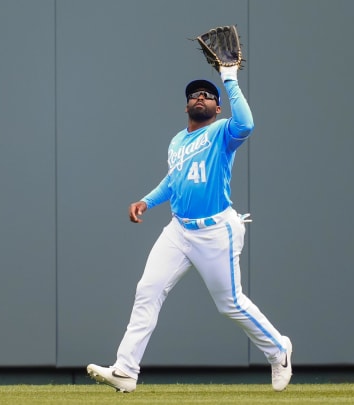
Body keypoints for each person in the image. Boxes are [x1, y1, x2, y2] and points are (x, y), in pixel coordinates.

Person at [87, 63, 292, 393]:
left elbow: (248, 124)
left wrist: (229, 78)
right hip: (178, 230)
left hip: (216, 230)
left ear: (217, 106)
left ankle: (278, 349)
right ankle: (125, 370)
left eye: (208, 96)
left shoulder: (223, 132)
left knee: (230, 304)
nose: (200, 98)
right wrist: (147, 201)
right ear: (186, 105)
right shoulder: (177, 141)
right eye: (195, 95)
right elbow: (173, 180)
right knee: (147, 291)